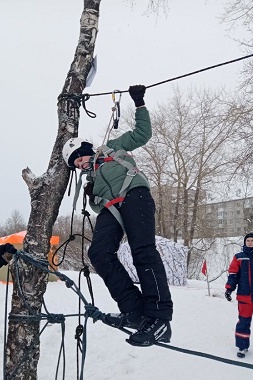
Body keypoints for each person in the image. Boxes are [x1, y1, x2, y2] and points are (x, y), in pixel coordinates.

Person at [62, 85, 173, 346]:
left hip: (135, 195)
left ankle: (159, 318)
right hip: (112, 207)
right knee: (98, 254)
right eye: (76, 165)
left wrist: (139, 102)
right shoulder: (90, 180)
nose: (80, 165)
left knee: (142, 251)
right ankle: (133, 309)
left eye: (79, 159)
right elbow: (98, 208)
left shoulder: (111, 148)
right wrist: (92, 195)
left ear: (86, 150)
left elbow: (142, 134)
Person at [225, 232, 253, 358]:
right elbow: (233, 274)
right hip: (245, 296)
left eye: (252, 240)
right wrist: (229, 289)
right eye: (248, 240)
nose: (250, 242)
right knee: (243, 322)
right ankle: (242, 347)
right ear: (244, 242)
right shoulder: (239, 257)